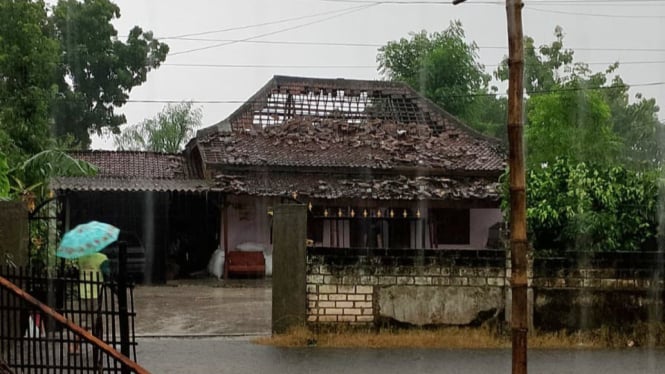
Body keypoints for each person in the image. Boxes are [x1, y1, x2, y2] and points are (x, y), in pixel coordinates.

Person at [69, 252, 109, 355]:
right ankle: (92, 344)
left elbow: (75, 272)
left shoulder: (80, 258)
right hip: (95, 293)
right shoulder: (102, 258)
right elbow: (108, 274)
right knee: (92, 322)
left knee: (84, 321)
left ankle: (76, 345)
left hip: (83, 293)